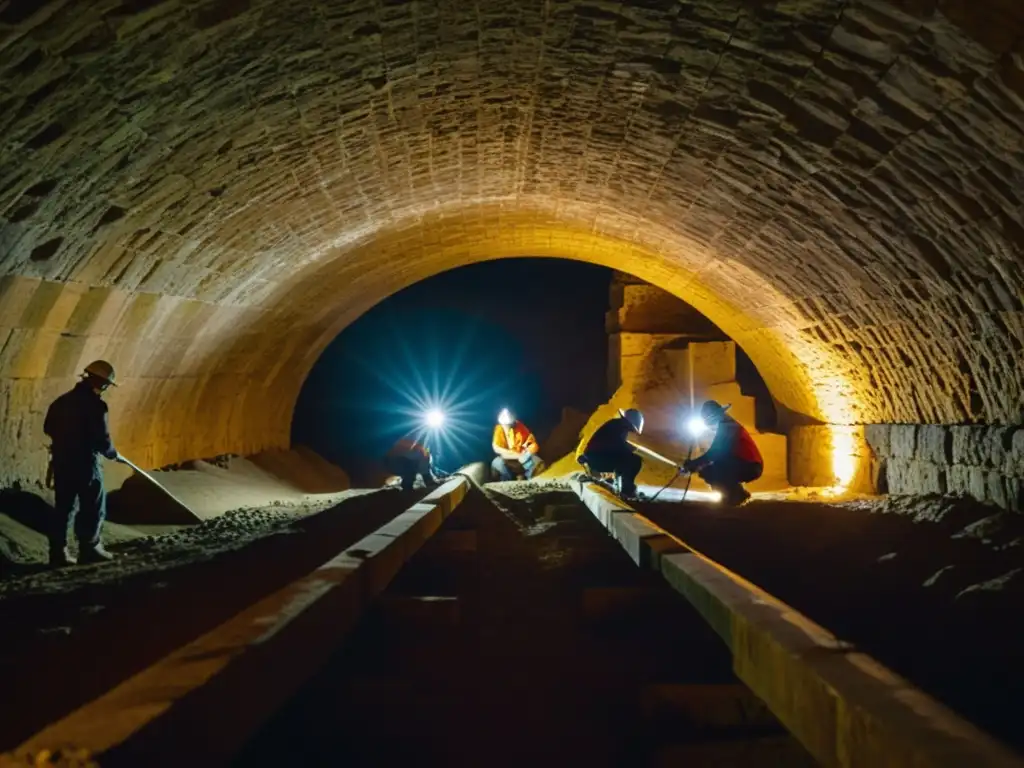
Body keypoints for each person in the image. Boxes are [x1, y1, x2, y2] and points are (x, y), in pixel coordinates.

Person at [43, 360, 123, 567]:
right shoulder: (96, 406)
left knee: (64, 506)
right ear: (102, 383)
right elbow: (102, 439)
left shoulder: (62, 401)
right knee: (94, 505)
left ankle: (58, 552)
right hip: (86, 463)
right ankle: (90, 548)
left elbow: (48, 427)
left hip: (62, 462)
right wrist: (112, 453)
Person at [683, 400, 763, 506]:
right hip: (749, 465)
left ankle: (735, 496)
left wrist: (694, 464)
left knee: (711, 471)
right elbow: (718, 454)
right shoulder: (728, 425)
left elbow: (715, 453)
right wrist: (696, 464)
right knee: (712, 468)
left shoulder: (728, 427)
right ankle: (735, 495)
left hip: (750, 466)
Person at [577, 408, 645, 499]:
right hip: (597, 459)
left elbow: (613, 447)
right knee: (635, 461)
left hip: (593, 458)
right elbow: (618, 448)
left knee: (627, 460)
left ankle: (620, 485)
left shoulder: (616, 424)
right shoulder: (620, 427)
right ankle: (627, 491)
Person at [490, 408, 544, 481]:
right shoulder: (499, 429)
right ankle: (507, 481)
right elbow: (496, 448)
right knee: (497, 463)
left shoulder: (520, 427)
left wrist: (526, 453)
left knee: (536, 461)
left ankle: (530, 480)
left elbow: (532, 444)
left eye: (509, 425)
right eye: (505, 425)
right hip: (508, 459)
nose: (507, 427)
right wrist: (512, 454)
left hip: (523, 459)